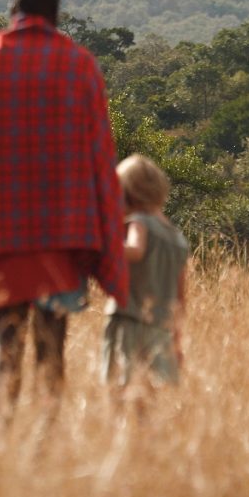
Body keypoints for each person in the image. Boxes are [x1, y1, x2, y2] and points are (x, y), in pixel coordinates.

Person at [0, 0, 128, 424]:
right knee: (52, 345)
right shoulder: (80, 67)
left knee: (7, 341)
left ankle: (4, 430)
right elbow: (101, 161)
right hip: (62, 240)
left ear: (13, 12)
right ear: (56, 16)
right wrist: (107, 244)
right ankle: (45, 438)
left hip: (3, 241)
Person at [102, 154, 189, 407]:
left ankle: (120, 442)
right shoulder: (177, 238)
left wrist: (103, 245)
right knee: (149, 400)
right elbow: (181, 297)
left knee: (119, 395)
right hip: (161, 330)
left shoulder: (139, 222)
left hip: (130, 322)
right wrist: (177, 342)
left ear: (129, 194)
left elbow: (136, 250)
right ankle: (146, 442)